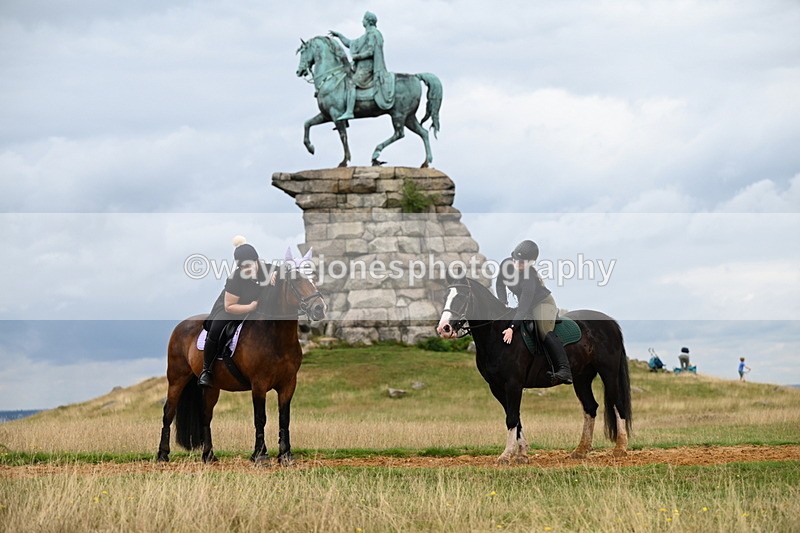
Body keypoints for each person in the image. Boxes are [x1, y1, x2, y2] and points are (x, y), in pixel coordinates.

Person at [495, 240, 573, 385]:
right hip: (527, 304)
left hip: (542, 303)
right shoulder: (506, 265)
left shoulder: (529, 279)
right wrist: (503, 301)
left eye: (523, 263)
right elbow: (500, 283)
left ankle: (564, 369)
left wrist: (512, 328)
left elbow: (523, 308)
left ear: (531, 263)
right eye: (516, 261)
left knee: (543, 330)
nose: (518, 265)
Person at [198, 236, 272, 388]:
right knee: (216, 329)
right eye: (243, 267)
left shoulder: (269, 269)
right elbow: (229, 306)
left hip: (256, 309)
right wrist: (250, 308)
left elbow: (286, 271)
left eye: (249, 265)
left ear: (257, 261)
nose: (246, 270)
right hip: (230, 309)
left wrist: (278, 275)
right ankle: (207, 370)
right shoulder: (235, 279)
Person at [329, 11, 395, 121]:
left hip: (367, 68)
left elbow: (370, 52)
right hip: (361, 67)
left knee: (351, 83)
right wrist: (339, 36)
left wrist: (357, 57)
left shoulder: (373, 34)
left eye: (363, 19)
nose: (362, 21)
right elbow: (350, 43)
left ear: (368, 21)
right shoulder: (366, 35)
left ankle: (349, 111)